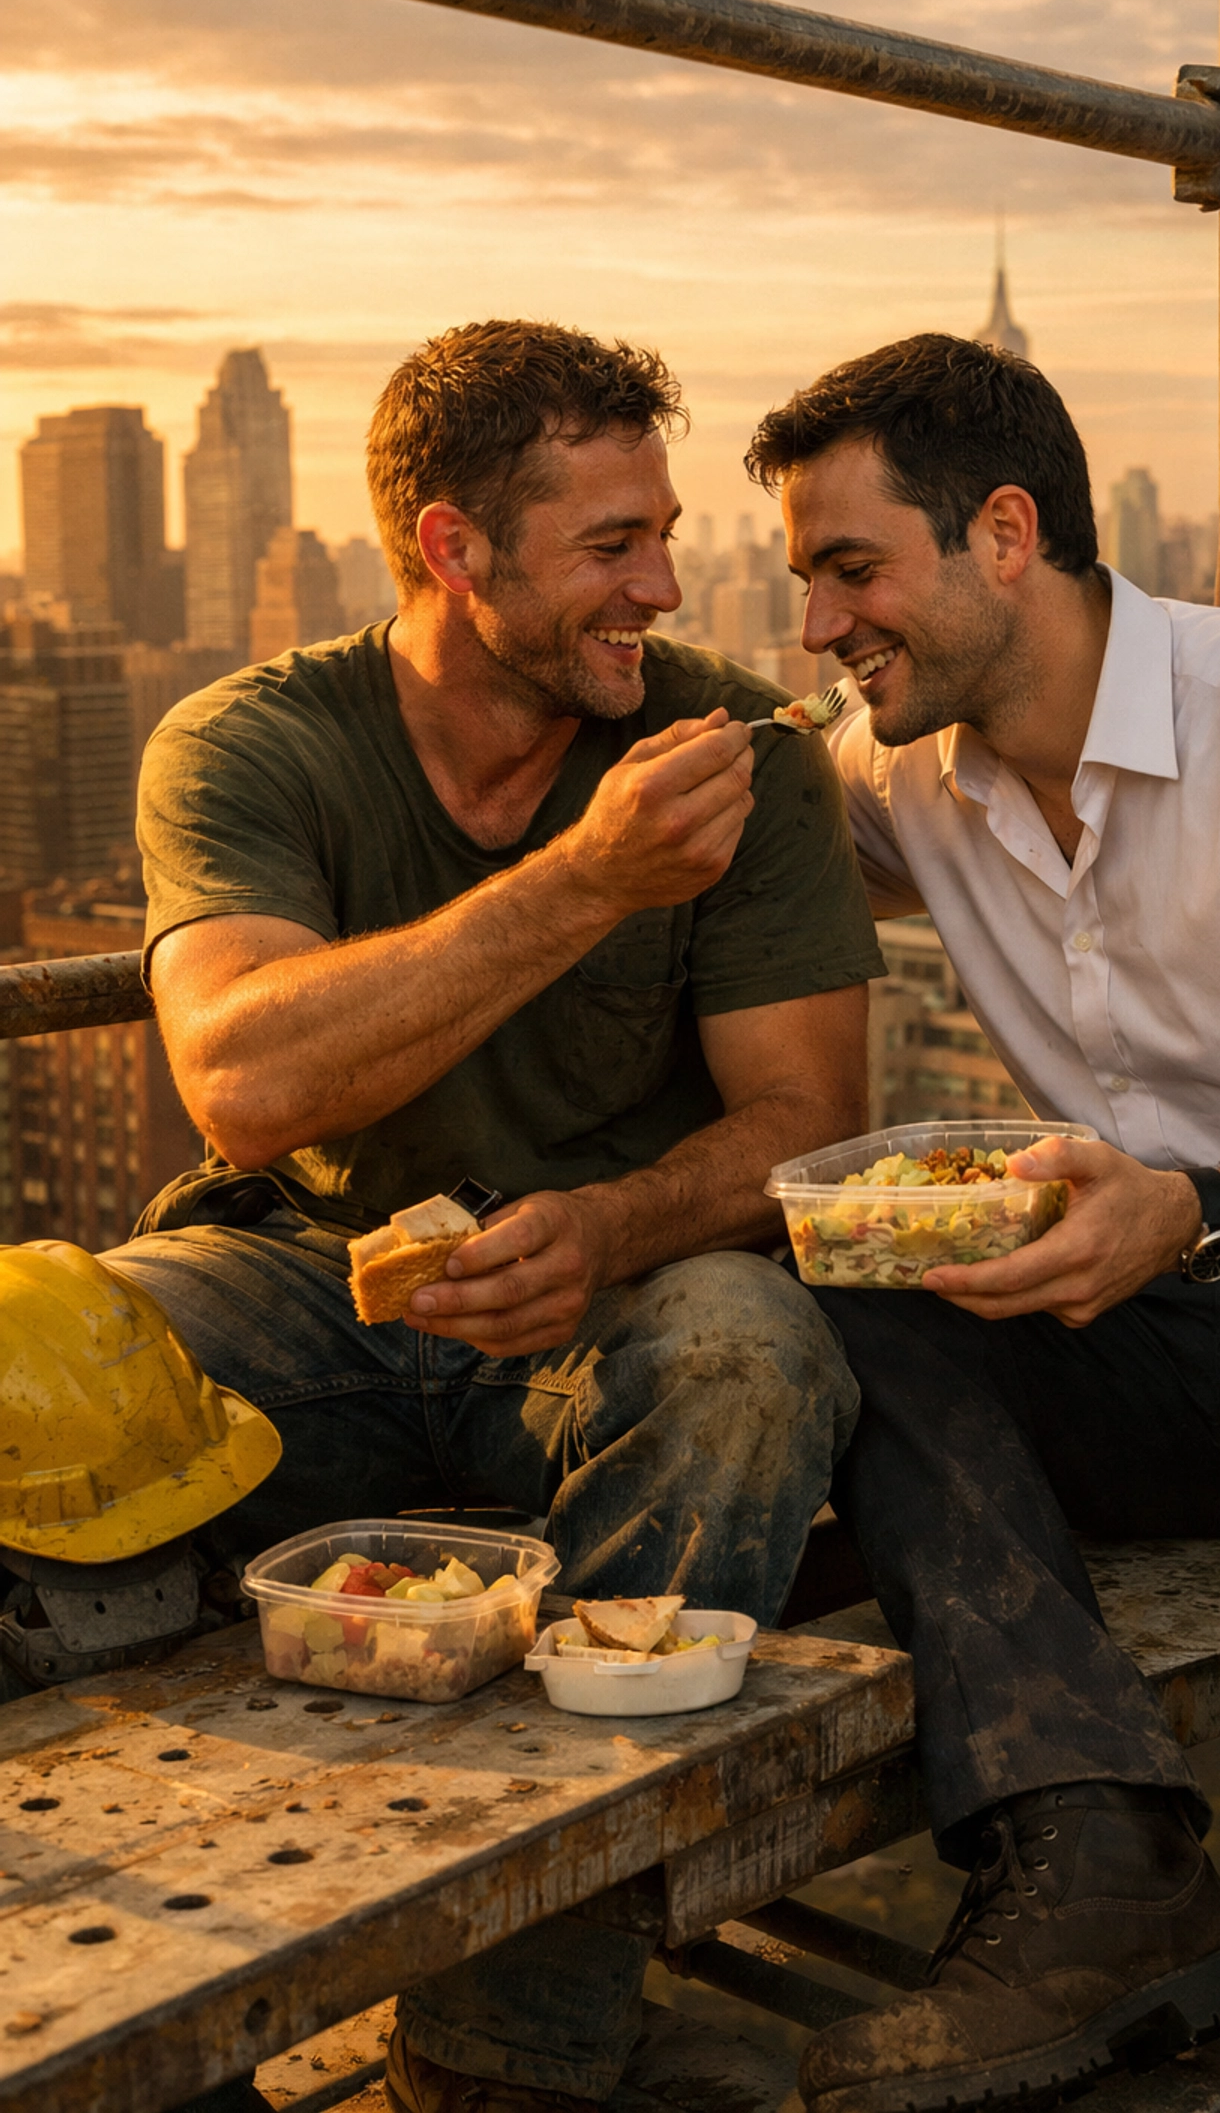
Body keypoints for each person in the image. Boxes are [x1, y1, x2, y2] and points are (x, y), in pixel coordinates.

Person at [745, 332, 1220, 2113]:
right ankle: (1098, 1866)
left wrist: (1201, 1214)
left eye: (851, 569)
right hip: (1163, 1362)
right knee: (855, 1274)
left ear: (1005, 533)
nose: (817, 627)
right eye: (803, 581)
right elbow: (734, 808)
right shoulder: (907, 778)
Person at [104, 319, 883, 2113]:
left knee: (752, 1359)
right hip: (309, 1288)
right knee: (42, 1365)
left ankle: (512, 2046)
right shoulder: (247, 746)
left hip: (610, 1306)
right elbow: (243, 1079)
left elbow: (805, 1120)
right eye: (612, 544)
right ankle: (138, 2035)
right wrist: (584, 883)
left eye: (663, 534)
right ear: (455, 551)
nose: (665, 582)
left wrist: (608, 1230)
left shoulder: (729, 750)